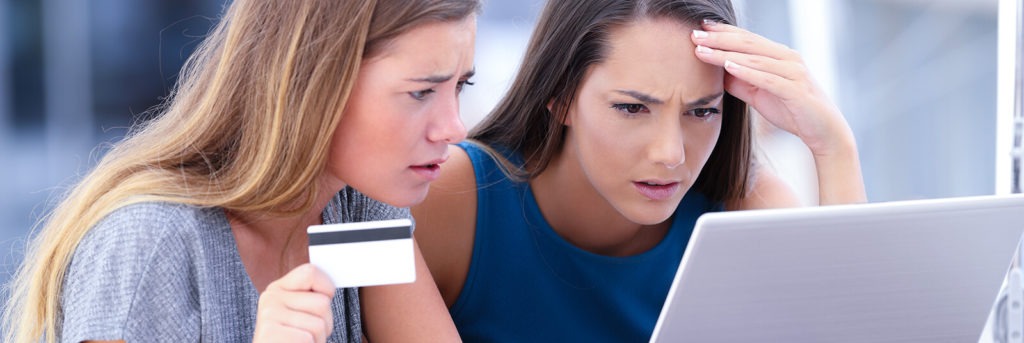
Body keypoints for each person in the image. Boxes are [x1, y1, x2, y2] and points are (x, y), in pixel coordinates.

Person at [3, 0, 478, 342]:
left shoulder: (362, 208)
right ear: (315, 79)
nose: (454, 128)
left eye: (461, 86)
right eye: (421, 93)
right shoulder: (148, 241)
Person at [411, 0, 867, 341]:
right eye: (632, 107)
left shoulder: (744, 209)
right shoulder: (455, 198)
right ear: (559, 96)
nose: (671, 154)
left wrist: (834, 148)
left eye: (702, 112)